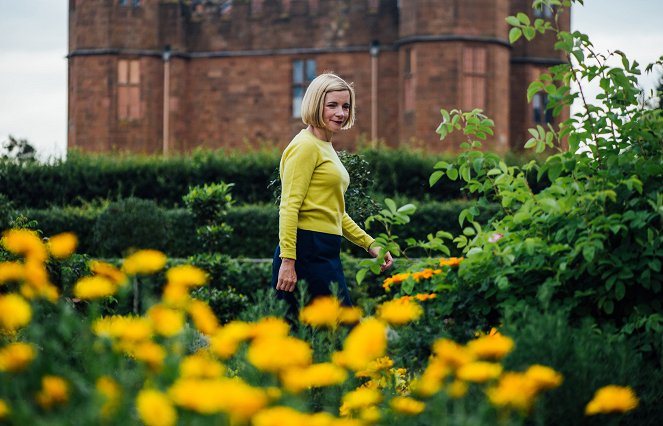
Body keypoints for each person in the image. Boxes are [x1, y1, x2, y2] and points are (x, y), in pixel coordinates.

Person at [271, 72, 393, 319]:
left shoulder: (324, 147)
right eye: (332, 105)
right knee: (338, 330)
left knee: (324, 336)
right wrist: (288, 261)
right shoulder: (304, 146)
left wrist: (370, 244)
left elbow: (335, 211)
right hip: (305, 250)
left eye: (346, 106)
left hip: (325, 249)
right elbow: (289, 206)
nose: (341, 113)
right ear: (316, 105)